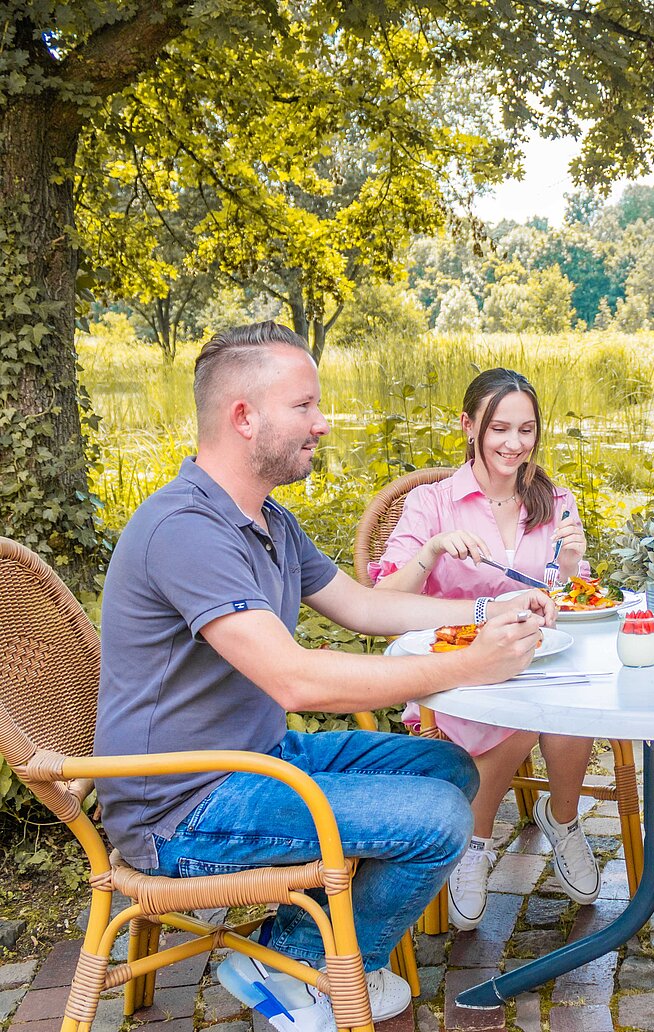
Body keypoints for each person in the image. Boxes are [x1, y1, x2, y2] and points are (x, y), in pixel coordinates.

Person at [94, 323, 557, 1032]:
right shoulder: (185, 529)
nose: (324, 422)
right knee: (439, 820)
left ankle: (298, 945)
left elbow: (362, 605)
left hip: (251, 763)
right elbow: (296, 682)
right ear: (243, 418)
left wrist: (489, 605)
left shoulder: (267, 521)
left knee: (448, 767)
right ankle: (296, 968)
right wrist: (471, 662)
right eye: (305, 405)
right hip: (181, 806)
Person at [369, 368, 601, 931]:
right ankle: (475, 843)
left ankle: (562, 820)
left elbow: (579, 605)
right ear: (469, 426)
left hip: (536, 659)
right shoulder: (433, 504)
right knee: (526, 703)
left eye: (526, 430)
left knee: (572, 699)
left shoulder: (555, 501)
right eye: (499, 428)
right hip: (455, 669)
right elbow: (380, 599)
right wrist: (431, 552)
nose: (514, 444)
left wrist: (569, 572)